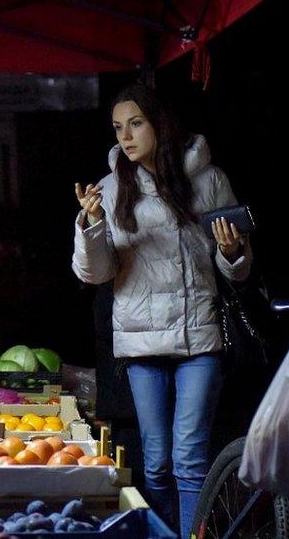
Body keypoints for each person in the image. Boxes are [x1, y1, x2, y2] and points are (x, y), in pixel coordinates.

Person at [72, 84, 252, 538]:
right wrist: (91, 226)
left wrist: (233, 252)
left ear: (159, 123)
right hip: (141, 341)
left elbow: (237, 269)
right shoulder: (111, 190)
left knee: (190, 458)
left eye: (135, 124)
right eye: (118, 128)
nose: (126, 137)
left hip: (199, 338)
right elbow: (95, 274)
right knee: (156, 462)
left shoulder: (208, 179)